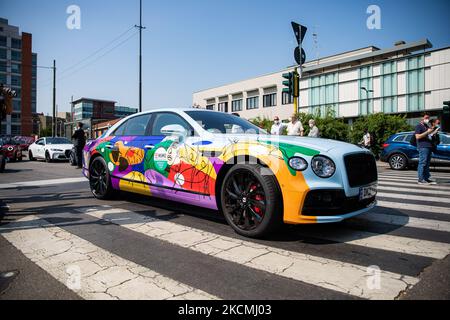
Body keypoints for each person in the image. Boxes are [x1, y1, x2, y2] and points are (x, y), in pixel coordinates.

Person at [415, 114, 439, 185]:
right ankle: (421, 179)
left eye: (428, 118)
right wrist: (427, 132)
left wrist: (433, 132)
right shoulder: (418, 126)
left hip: (429, 146)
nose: (427, 119)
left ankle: (426, 178)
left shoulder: (426, 126)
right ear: (421, 118)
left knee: (427, 163)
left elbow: (428, 136)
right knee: (423, 162)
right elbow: (417, 137)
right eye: (426, 118)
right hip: (423, 147)